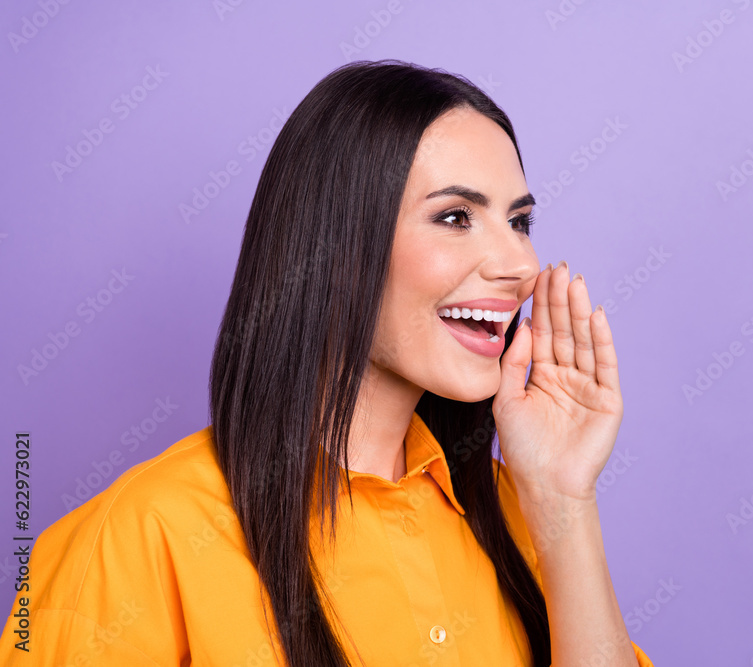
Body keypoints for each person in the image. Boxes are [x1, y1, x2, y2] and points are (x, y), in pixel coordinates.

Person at [1, 59, 654, 666]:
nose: (518, 265)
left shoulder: (520, 515)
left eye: (519, 221)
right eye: (455, 216)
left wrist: (565, 497)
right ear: (336, 247)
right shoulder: (139, 539)